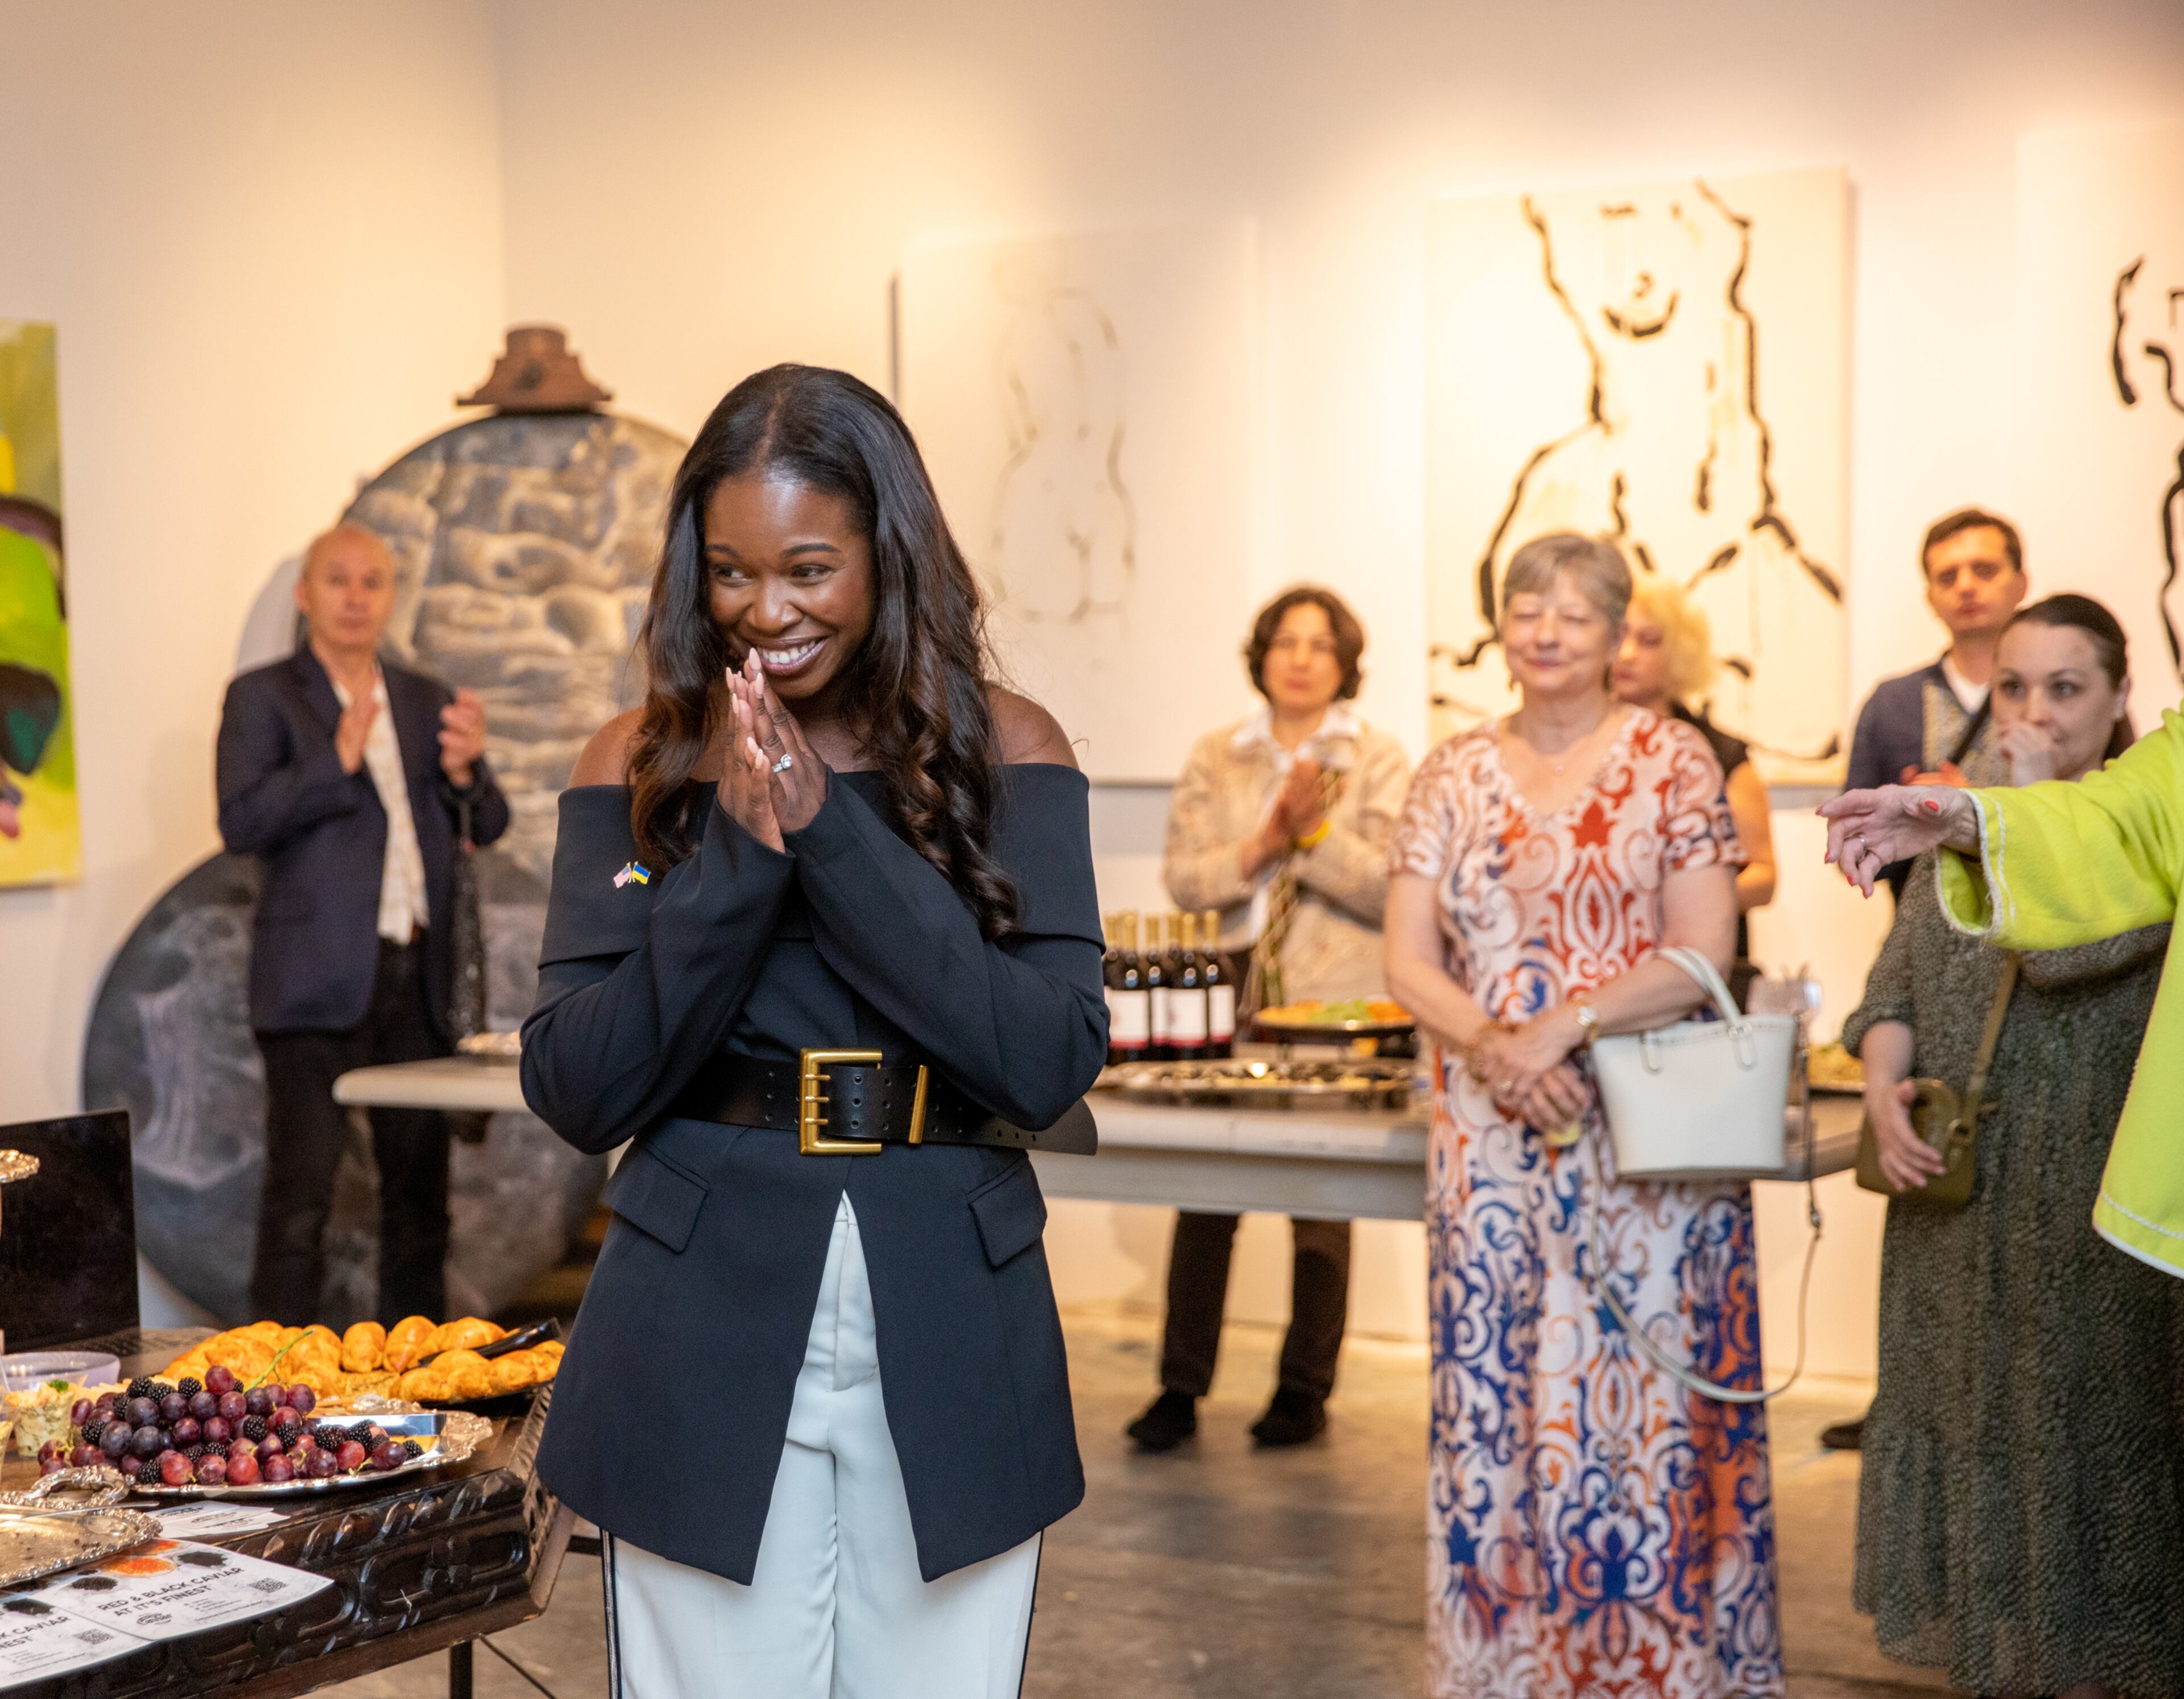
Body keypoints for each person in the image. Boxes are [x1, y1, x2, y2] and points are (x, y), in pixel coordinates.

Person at [519, 365, 1107, 1697]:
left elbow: (1043, 1056)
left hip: (952, 1310)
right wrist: (735, 849)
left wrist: (830, 833)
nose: (765, 611)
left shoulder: (1011, 748)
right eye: (731, 572)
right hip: (695, 1317)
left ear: (884, 558)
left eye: (806, 568)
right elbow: (577, 1081)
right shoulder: (635, 760)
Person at [1384, 532, 1778, 1699]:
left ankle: (1651, 1670)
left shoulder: (1673, 762)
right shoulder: (1447, 771)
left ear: (1618, 635)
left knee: (1640, 1415)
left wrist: (1562, 1029)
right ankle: (1503, 1673)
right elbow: (1410, 962)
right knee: (1493, 1402)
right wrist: (1500, 1045)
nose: (1545, 630)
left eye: (1574, 613)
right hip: (1486, 1144)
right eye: (1524, 608)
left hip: (1642, 1144)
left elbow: (1704, 951)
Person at [1828, 595, 2184, 1698]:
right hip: (1959, 1199)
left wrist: (2019, 811)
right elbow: (1894, 973)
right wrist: (1884, 1090)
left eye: (2064, 688)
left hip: (2077, 1194)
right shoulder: (1961, 808)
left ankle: (2102, 1663)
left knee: (2087, 1435)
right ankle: (1992, 1658)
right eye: (2015, 687)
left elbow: (2076, 958)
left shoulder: (2129, 821)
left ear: (2122, 698)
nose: (2032, 710)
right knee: (1965, 1423)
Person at [1127, 586, 1411, 1452]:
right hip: (1227, 999)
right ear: (1261, 656)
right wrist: (1262, 843)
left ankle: (1303, 1390)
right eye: (1285, 642)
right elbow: (1186, 878)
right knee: (1204, 1195)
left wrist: (1314, 833)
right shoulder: (1220, 755)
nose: (1300, 658)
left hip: (1337, 1006)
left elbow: (1393, 882)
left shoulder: (1380, 757)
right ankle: (1180, 1387)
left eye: (1320, 646)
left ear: (1344, 663)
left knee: (1322, 1201)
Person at [216, 523, 506, 1324]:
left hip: (419, 974)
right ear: (307, 595)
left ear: (391, 595)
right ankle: (275, 1394)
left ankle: (413, 1384)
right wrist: (333, 762)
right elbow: (239, 822)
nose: (355, 597)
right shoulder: (264, 695)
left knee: (421, 1203)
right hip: (313, 982)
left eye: (372, 581)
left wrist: (466, 772)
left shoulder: (425, 696)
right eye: (337, 580)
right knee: (300, 1203)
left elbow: (490, 818)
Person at [1843, 507, 2026, 890]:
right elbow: (1852, 854)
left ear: (2021, 584)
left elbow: (2099, 825)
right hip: (1923, 940)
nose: (1966, 586)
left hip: (2043, 939)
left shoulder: (2066, 695)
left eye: (1985, 570)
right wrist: (1901, 824)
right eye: (1947, 576)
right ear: (1931, 597)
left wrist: (1970, 813)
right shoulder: (1891, 704)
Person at [1612, 574, 1777, 993]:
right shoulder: (1575, 751)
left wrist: (1678, 906)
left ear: (1680, 652)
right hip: (1604, 971)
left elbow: (1763, 876)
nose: (1628, 654)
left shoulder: (1722, 756)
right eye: (1619, 637)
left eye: (1649, 641)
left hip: (1702, 971)